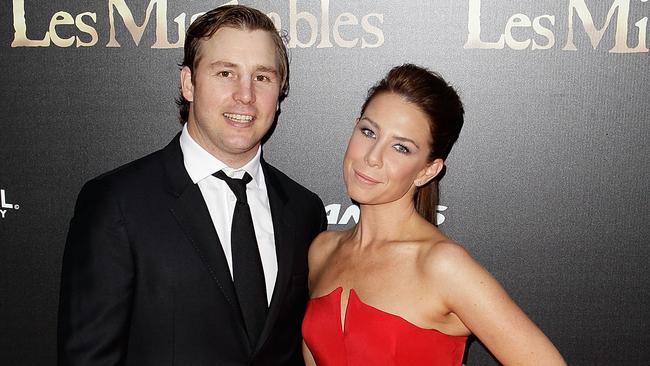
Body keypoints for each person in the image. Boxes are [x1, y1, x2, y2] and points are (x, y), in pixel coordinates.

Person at [58, 5, 327, 366]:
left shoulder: (303, 209)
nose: (245, 95)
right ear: (188, 83)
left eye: (262, 77)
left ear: (280, 92)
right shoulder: (117, 203)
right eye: (226, 73)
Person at [301, 64, 566, 366]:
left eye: (400, 148)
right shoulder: (322, 251)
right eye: (368, 132)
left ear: (428, 170)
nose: (372, 157)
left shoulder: (442, 265)